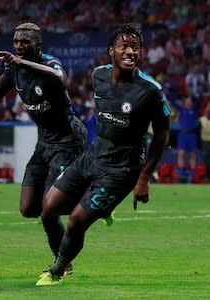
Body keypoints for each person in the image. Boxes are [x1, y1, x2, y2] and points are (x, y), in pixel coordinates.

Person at [0, 22, 87, 270]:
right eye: (16, 42)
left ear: (38, 45)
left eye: (25, 42)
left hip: (68, 140)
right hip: (44, 142)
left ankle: (63, 265)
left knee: (48, 212)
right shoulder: (14, 69)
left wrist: (20, 63)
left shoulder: (49, 64)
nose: (19, 46)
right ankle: (89, 196)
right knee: (28, 208)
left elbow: (59, 78)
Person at [36, 24, 170, 285]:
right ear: (112, 51)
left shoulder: (150, 90)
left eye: (136, 47)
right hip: (93, 157)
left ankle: (57, 270)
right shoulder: (98, 75)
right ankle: (79, 241)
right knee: (48, 210)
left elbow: (163, 135)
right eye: (125, 46)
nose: (131, 51)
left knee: (76, 221)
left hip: (122, 169)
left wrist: (144, 178)